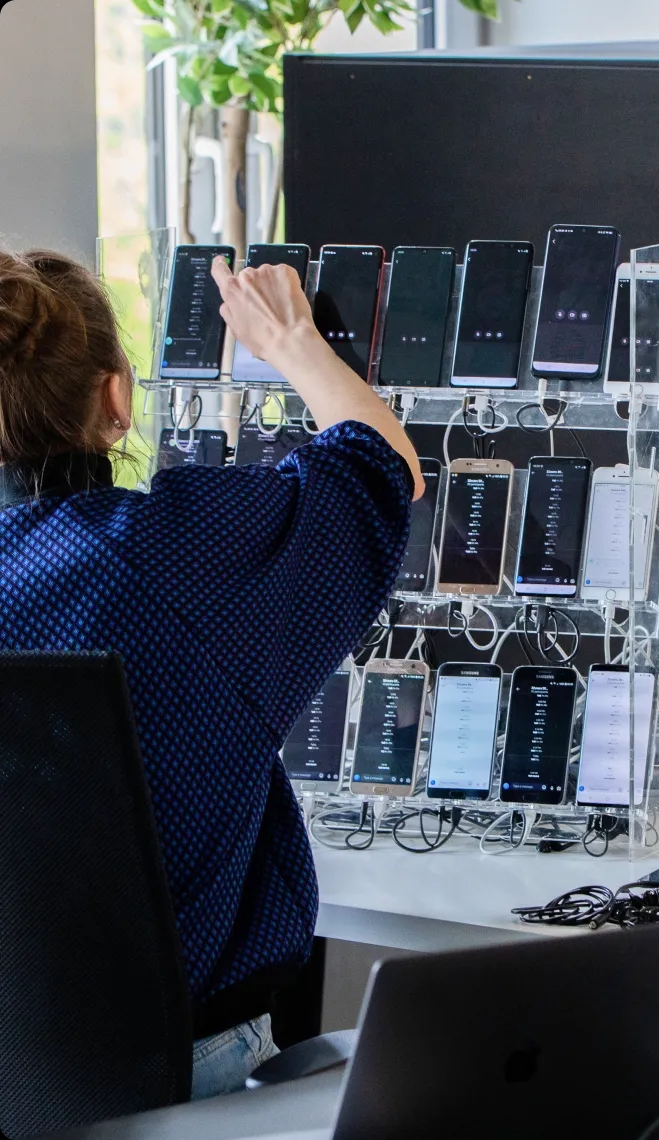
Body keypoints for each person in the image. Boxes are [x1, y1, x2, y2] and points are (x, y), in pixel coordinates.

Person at [0, 248, 422, 1101]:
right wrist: (295, 340)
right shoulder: (168, 555)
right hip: (182, 1073)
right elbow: (382, 471)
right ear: (116, 399)